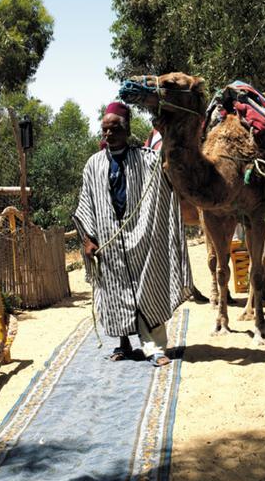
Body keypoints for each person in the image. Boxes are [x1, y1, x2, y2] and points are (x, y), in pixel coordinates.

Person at [73, 101, 192, 366]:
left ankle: (156, 348)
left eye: (114, 129)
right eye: (104, 130)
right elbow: (86, 202)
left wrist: (170, 130)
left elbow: (168, 169)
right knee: (115, 294)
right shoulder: (93, 165)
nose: (108, 135)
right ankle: (123, 345)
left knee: (149, 289)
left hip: (142, 238)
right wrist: (88, 239)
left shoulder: (146, 158)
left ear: (126, 131)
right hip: (108, 240)